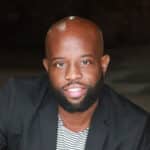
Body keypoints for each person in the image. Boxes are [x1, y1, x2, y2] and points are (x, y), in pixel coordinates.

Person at [0, 16, 149, 150]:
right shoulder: (16, 100)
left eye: (85, 62)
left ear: (103, 65)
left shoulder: (134, 128)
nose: (72, 75)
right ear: (47, 68)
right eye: (60, 64)